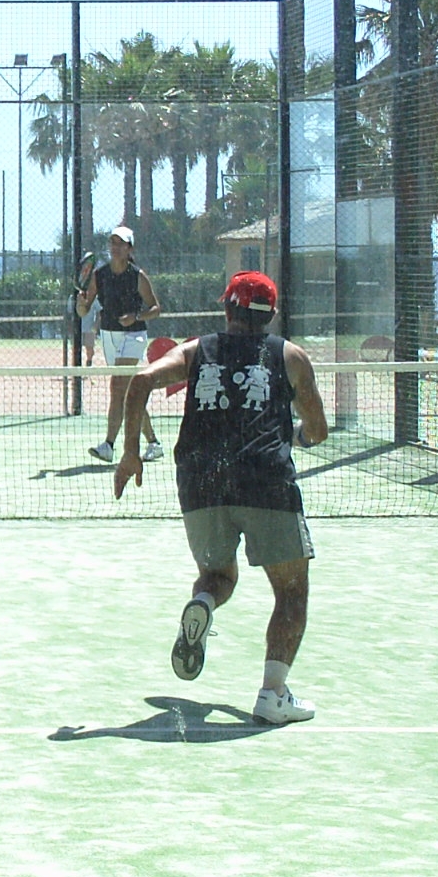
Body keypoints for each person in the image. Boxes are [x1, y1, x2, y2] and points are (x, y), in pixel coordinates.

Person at [113, 270, 328, 726]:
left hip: (200, 481)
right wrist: (298, 436)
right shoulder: (289, 356)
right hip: (266, 481)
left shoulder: (197, 351)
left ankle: (205, 605)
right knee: (291, 592)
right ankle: (273, 694)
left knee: (216, 576)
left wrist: (131, 454)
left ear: (227, 309)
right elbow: (318, 430)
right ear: (270, 314)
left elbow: (141, 381)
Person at [75, 225, 162, 462]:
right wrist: (80, 303)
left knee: (117, 387)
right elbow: (83, 310)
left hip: (134, 336)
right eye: (113, 243)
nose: (115, 247)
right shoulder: (99, 275)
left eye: (121, 243)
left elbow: (155, 309)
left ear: (129, 248)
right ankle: (154, 443)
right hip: (109, 336)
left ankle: (109, 445)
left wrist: (136, 317)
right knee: (128, 393)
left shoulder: (137, 276)